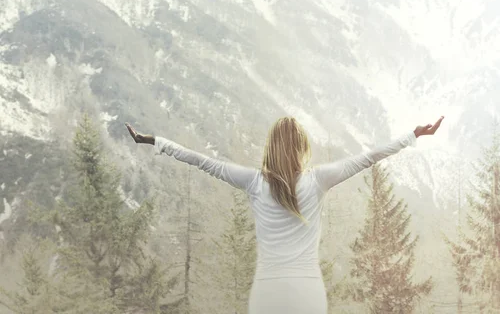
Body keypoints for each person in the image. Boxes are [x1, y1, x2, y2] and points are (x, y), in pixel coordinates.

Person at [126, 115, 444, 313]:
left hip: (267, 292)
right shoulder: (319, 179)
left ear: (270, 147)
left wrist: (154, 141)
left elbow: (200, 160)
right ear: (302, 147)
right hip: (307, 292)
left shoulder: (252, 182)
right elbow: (368, 157)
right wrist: (412, 136)